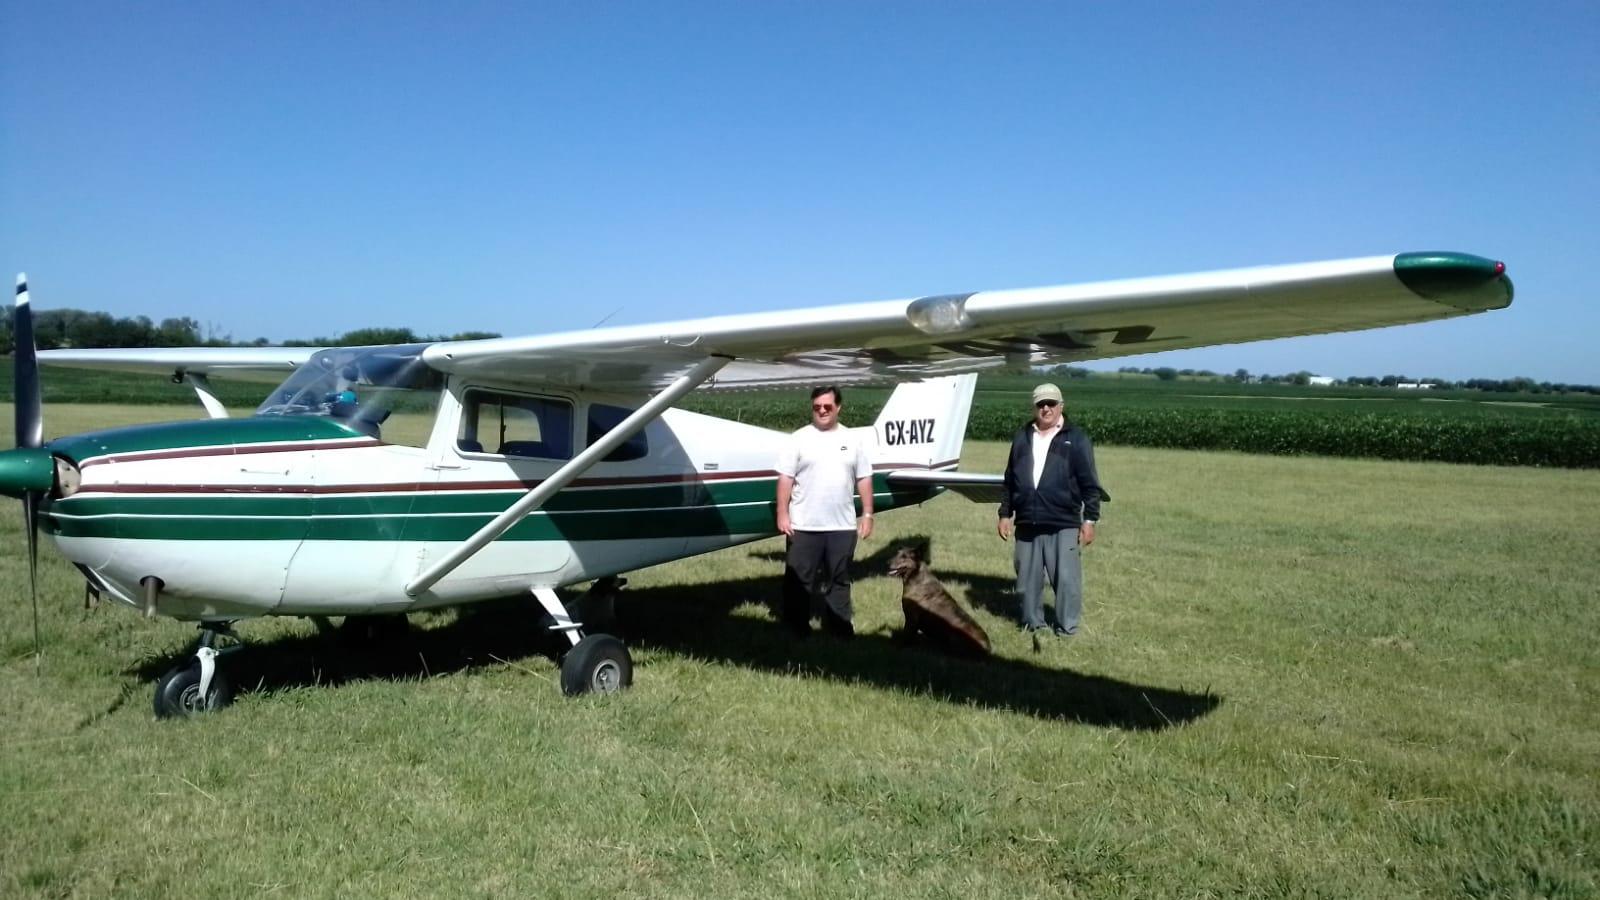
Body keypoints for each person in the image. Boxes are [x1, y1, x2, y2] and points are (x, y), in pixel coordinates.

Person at [997, 383, 1105, 637]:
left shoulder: (1075, 438)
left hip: (1063, 522)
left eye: (1051, 404)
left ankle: (1067, 629)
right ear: (1034, 407)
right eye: (1041, 404)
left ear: (1061, 406)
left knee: (1067, 582)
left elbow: (1090, 484)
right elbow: (1010, 478)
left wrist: (1089, 520)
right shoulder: (1022, 436)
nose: (1046, 408)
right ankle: (1033, 625)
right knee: (1026, 583)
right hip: (1027, 522)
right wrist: (1004, 514)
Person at [775, 385, 874, 637]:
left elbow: (863, 478)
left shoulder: (853, 440)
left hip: (841, 526)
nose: (822, 410)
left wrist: (868, 514)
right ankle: (795, 629)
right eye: (817, 406)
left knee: (839, 580)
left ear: (838, 407)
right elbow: (785, 479)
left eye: (827, 406)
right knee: (798, 581)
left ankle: (840, 630)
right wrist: (782, 513)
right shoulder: (798, 438)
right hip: (803, 525)